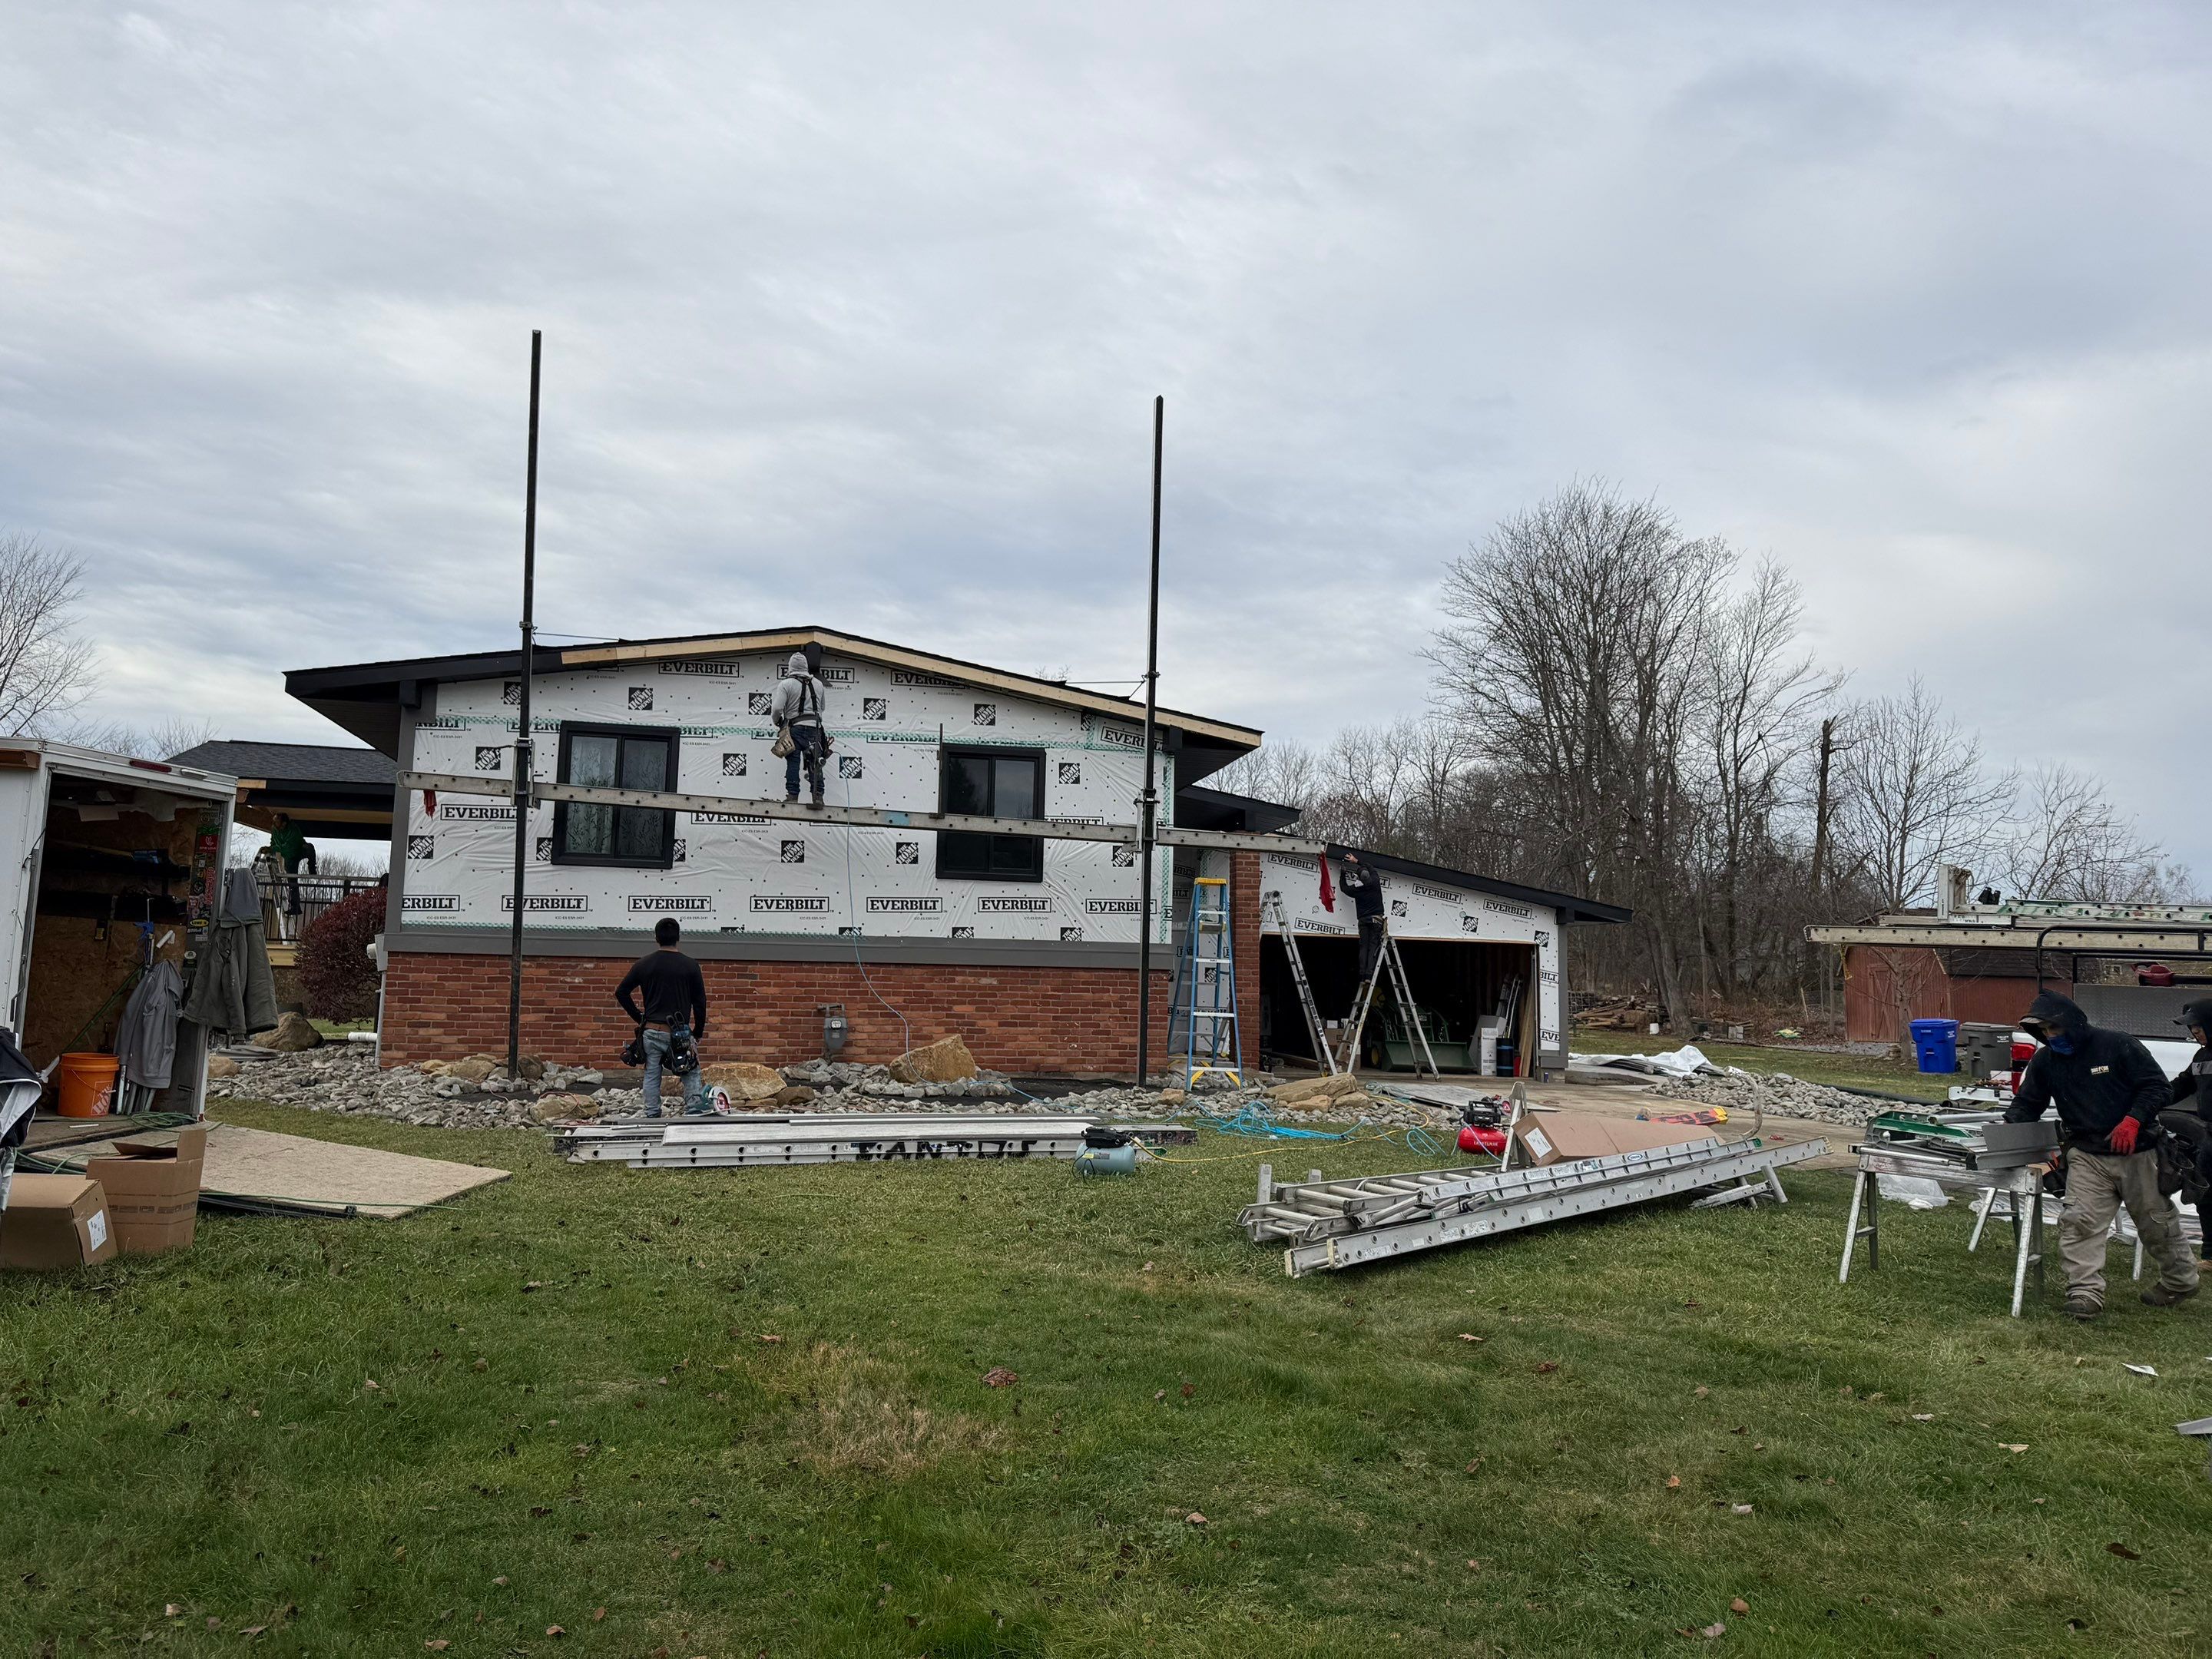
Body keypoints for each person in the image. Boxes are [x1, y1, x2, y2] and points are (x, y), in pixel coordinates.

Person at [2005, 989, 2200, 1320]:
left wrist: (2133, 1119)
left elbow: (2158, 1087)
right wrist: (2008, 1132)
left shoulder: (2118, 1045)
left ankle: (2180, 1281)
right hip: (2087, 1153)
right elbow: (2028, 1104)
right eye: (2045, 1032)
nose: (2052, 1037)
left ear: (2072, 1024)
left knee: (2156, 1223)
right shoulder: (2047, 1060)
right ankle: (2084, 1293)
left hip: (2139, 1151)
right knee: (2079, 1221)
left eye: (2056, 1029)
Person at [615, 917, 709, 1118]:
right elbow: (700, 1003)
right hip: (679, 1033)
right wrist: (698, 1032)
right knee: (690, 1070)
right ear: (678, 938)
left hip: (650, 1031)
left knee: (651, 1073)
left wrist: (639, 1017)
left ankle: (652, 1113)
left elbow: (621, 992)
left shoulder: (644, 964)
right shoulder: (691, 966)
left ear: (656, 938)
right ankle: (693, 1109)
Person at [2160, 996, 2212, 1269]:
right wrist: (2150, 1100)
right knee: (2207, 1195)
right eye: (2191, 1028)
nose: (2194, 1032)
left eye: (2198, 1026)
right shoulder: (2201, 1056)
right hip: (2209, 1137)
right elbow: (2181, 1085)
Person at [770, 650, 829, 808]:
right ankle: (818, 798)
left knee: (793, 762)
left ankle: (792, 796)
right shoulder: (818, 684)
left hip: (795, 729)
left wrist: (779, 722)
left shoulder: (786, 684)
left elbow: (776, 709)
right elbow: (822, 708)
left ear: (790, 668)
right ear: (806, 667)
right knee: (815, 763)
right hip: (815, 730)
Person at [1339, 852, 1389, 992]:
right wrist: (1357, 861)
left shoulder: (1357, 889)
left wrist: (1343, 874)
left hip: (1363, 920)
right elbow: (1370, 867)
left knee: (1364, 948)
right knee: (1373, 947)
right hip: (1376, 920)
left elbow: (1344, 888)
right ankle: (1368, 975)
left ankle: (1362, 977)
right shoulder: (1375, 881)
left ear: (1359, 878)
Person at [268, 813, 317, 916]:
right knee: (292, 882)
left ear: (284, 824)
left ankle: (312, 868)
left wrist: (273, 848)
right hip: (289, 857)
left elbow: (288, 847)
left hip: (298, 850)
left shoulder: (293, 830)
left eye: (277, 821)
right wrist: (271, 848)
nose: (274, 823)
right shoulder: (275, 830)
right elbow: (274, 843)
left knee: (309, 848)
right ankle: (295, 907)